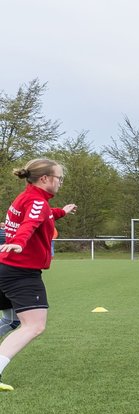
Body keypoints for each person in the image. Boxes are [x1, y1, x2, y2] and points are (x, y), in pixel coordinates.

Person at [0, 159, 77, 391]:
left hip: (6, 268)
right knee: (33, 326)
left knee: (11, 320)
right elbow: (30, 223)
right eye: (58, 178)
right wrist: (20, 243)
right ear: (45, 179)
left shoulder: (29, 198)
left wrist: (62, 211)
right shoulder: (36, 202)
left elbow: (44, 215)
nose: (60, 182)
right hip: (20, 273)